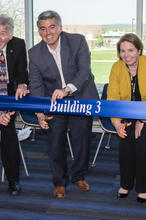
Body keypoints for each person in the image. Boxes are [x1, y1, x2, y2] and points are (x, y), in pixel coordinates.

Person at [29, 10, 99, 198]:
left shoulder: (77, 41)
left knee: (81, 140)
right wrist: (40, 113)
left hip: (80, 97)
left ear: (60, 27)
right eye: (42, 29)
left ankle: (78, 176)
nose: (48, 32)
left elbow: (84, 72)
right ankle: (59, 182)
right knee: (55, 142)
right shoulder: (34, 53)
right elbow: (35, 85)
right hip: (54, 103)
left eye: (52, 27)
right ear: (39, 31)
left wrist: (67, 89)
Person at [107, 33, 146, 203]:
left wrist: (142, 120)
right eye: (122, 51)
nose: (127, 55)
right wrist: (117, 123)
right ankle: (125, 184)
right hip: (127, 113)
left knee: (142, 143)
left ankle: (143, 188)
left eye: (131, 50)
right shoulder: (116, 67)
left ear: (139, 50)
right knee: (125, 143)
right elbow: (113, 97)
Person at [0, 14, 29, 195]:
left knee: (8, 137)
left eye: (3, 33)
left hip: (8, 97)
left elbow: (21, 71)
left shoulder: (17, 45)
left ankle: (13, 180)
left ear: (10, 35)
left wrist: (22, 84)